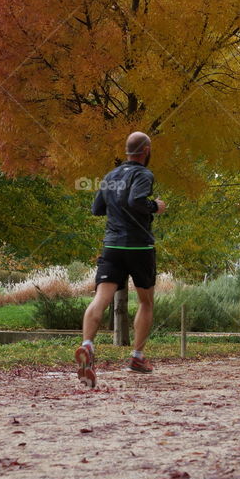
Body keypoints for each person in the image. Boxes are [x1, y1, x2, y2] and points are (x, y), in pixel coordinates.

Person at [75, 131, 167, 387]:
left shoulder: (111, 176)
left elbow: (97, 209)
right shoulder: (143, 174)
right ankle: (137, 357)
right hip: (138, 247)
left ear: (127, 150)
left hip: (112, 246)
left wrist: (117, 208)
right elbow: (136, 200)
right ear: (146, 150)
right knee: (146, 302)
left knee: (101, 298)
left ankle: (87, 346)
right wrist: (154, 207)